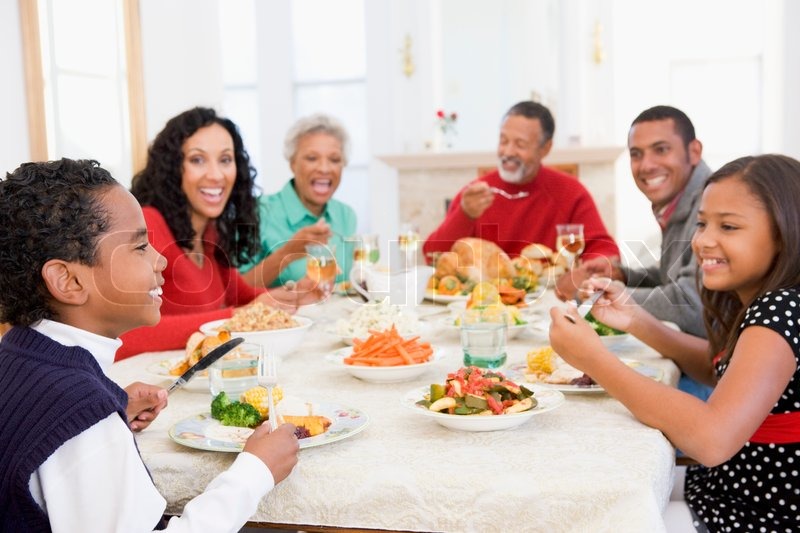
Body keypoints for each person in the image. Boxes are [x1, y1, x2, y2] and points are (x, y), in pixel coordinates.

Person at [0, 158, 299, 531]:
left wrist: (109, 414)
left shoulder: (15, 353)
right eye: (140, 247)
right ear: (68, 281)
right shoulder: (83, 417)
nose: (160, 262)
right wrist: (255, 472)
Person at [549, 154, 800, 531]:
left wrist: (594, 358)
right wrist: (636, 320)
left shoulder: (780, 308)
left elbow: (712, 439)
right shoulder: (763, 298)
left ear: (784, 234)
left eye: (728, 227)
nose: (703, 241)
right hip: (727, 486)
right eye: (701, 223)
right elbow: (724, 373)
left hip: (757, 512)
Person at [118, 107, 311, 360]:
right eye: (197, 160)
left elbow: (241, 296)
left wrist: (291, 294)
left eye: (225, 160)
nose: (216, 174)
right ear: (173, 167)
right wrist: (235, 318)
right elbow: (126, 334)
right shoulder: (148, 225)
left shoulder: (208, 230)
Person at [556, 106, 712, 339]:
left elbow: (690, 305)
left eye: (661, 149)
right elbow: (671, 276)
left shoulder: (710, 205)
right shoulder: (681, 200)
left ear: (694, 151)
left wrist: (592, 294)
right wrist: (623, 275)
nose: (646, 165)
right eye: (636, 154)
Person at [422, 100, 619, 263]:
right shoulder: (475, 195)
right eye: (503, 141)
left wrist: (596, 266)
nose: (507, 152)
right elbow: (432, 256)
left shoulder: (570, 192)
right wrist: (464, 215)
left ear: (546, 148)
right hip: (485, 303)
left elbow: (603, 249)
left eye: (520, 144)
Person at [240, 113, 357, 288]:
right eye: (312, 158)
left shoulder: (346, 215)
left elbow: (346, 284)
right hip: (279, 315)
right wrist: (287, 254)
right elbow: (235, 292)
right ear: (292, 163)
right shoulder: (257, 213)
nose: (324, 168)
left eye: (334, 159)